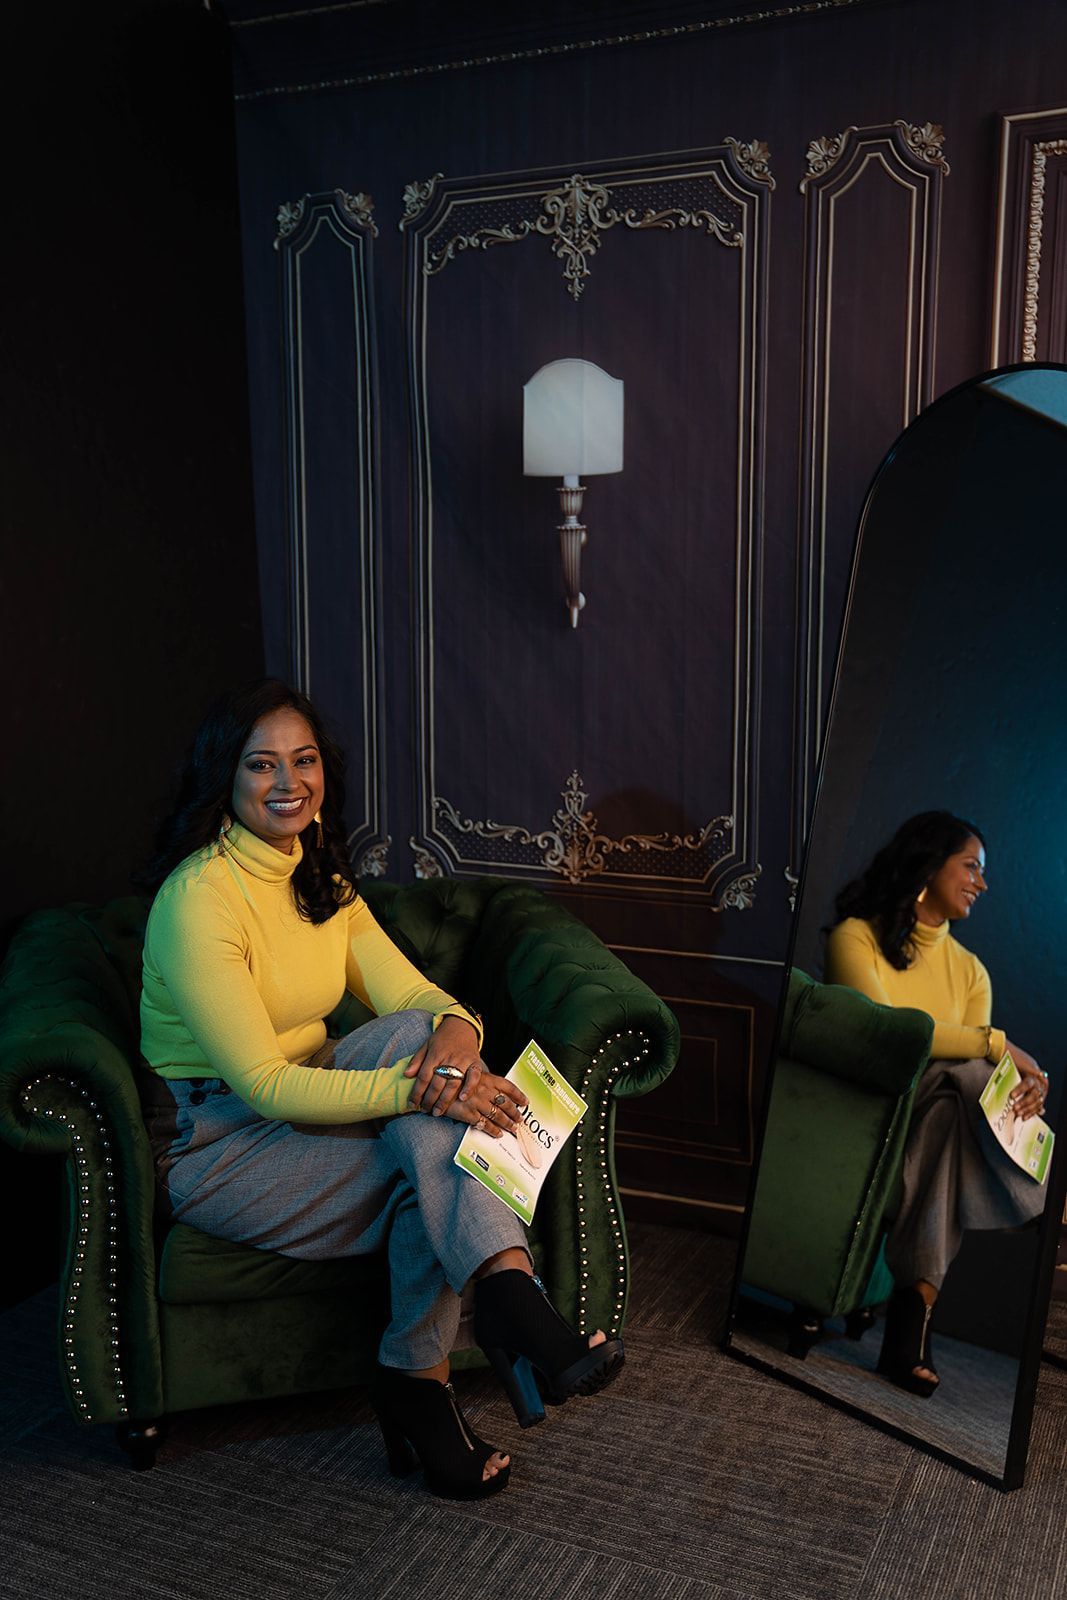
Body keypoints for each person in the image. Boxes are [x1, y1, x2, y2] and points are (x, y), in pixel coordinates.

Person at [138, 678, 623, 1497]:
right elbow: (262, 1085)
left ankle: (473, 1324)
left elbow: (420, 1000)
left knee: (415, 1061)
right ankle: (468, 1331)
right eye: (262, 765)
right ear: (224, 776)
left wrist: (457, 1038)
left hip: (317, 1097)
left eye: (305, 760)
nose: (289, 783)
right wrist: (425, 1093)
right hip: (217, 1142)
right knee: (432, 1156)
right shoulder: (198, 900)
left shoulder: (315, 873)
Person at [824, 810, 1048, 1397]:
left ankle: (910, 1319)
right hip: (870, 1108)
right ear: (930, 864)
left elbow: (969, 1072)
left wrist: (1021, 1084)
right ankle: (1039, 1193)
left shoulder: (971, 971)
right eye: (971, 866)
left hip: (933, 1122)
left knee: (953, 1108)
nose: (982, 882)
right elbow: (886, 1033)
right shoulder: (857, 936)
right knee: (969, 1074)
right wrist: (1000, 1048)